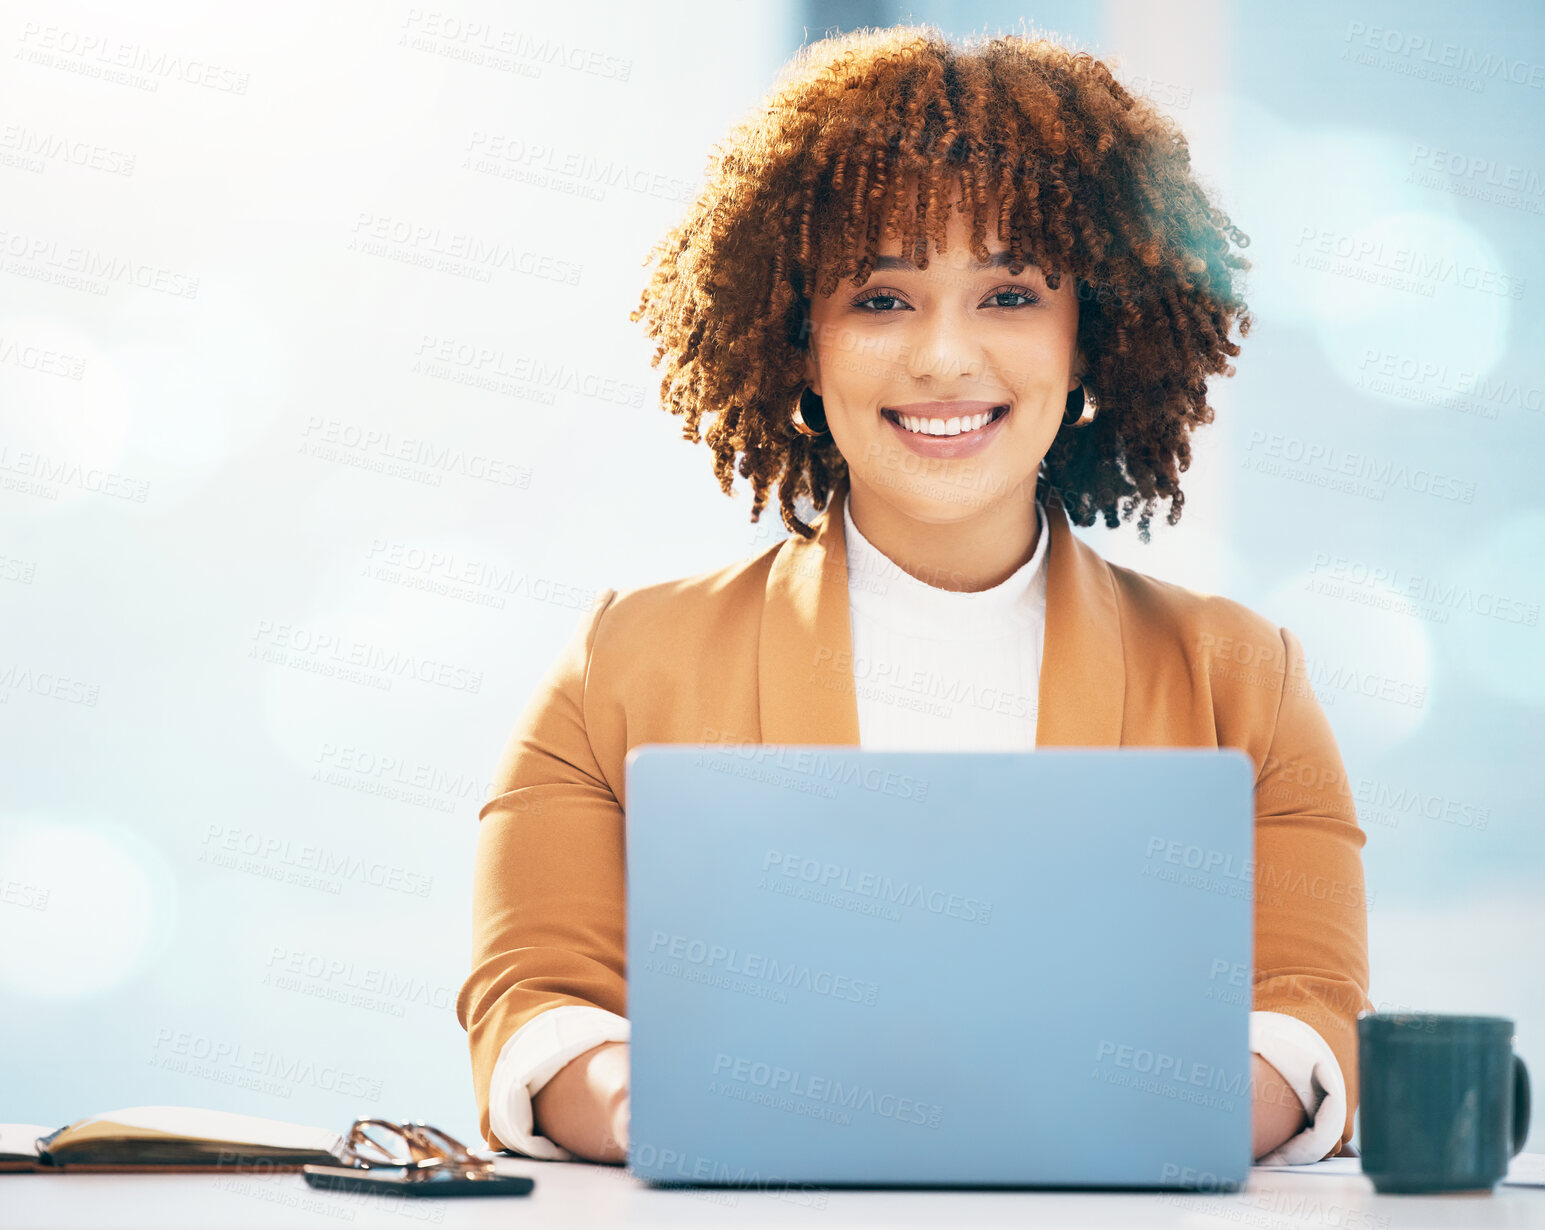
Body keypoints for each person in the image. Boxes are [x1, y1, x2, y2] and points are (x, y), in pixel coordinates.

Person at [456, 24, 1370, 1170]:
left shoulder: (1243, 680)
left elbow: (1305, 1013)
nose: (943, 358)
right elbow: (536, 1005)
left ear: (1090, 335)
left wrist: (1102, 1121)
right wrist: (670, 1105)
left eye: (1009, 294)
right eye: (881, 298)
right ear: (797, 339)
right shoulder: (617, 668)